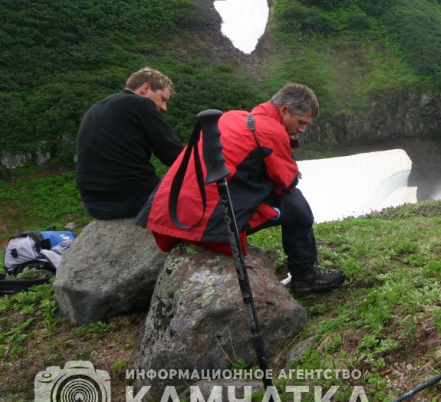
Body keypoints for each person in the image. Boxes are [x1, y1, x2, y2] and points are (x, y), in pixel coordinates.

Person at [136, 82, 343, 296]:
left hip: (171, 215)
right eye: (301, 122)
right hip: (207, 224)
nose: (302, 129)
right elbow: (287, 182)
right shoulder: (271, 130)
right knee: (296, 206)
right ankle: (306, 276)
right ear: (284, 110)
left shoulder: (231, 117)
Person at [76, 67, 185, 219]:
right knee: (197, 195)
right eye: (163, 99)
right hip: (130, 199)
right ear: (145, 89)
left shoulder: (95, 109)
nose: (163, 107)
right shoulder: (141, 104)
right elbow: (173, 155)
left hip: (93, 204)